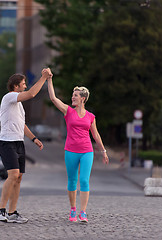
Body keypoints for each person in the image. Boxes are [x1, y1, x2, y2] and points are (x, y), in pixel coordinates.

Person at [47, 77, 109, 223]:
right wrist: (49, 80)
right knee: (72, 181)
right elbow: (53, 98)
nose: (72, 97)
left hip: (87, 151)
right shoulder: (68, 111)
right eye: (72, 95)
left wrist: (103, 151)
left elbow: (95, 135)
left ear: (83, 99)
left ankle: (83, 212)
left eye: (75, 95)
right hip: (71, 151)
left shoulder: (90, 117)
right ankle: (73, 209)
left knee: (84, 181)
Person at [0, 68, 52, 223]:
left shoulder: (18, 105)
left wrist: (34, 138)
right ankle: (1, 210)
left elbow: (22, 125)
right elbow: (32, 93)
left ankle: (12, 213)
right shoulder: (9, 97)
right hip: (7, 142)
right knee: (13, 174)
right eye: (23, 84)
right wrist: (43, 78)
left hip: (19, 143)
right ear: (16, 87)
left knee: (18, 178)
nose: (25, 86)